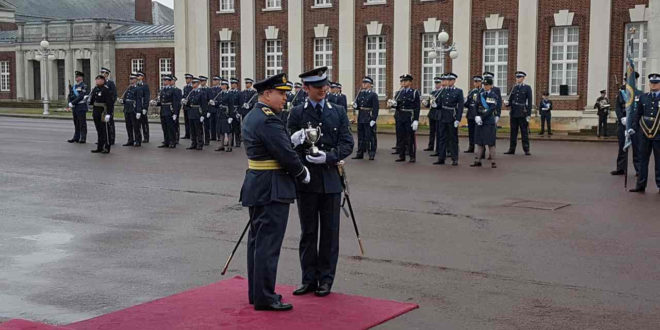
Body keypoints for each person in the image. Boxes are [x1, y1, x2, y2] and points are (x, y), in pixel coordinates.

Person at [240, 72, 310, 311]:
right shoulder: (269, 119)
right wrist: (302, 172)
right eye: (281, 93)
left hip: (257, 183)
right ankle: (265, 297)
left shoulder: (253, 115)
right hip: (272, 187)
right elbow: (285, 153)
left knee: (257, 242)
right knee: (268, 244)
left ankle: (256, 292)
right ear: (266, 94)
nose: (285, 99)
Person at [287, 66, 354, 298]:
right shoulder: (296, 113)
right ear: (306, 88)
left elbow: (347, 143)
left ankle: (325, 280)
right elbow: (288, 145)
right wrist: (298, 153)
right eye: (317, 87)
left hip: (330, 180)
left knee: (329, 233)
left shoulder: (337, 111)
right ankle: (308, 279)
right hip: (306, 181)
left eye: (325, 85)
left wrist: (330, 156)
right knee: (308, 233)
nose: (323, 90)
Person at [629, 73, 660, 193]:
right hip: (644, 133)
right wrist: (632, 128)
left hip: (658, 134)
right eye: (652, 83)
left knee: (659, 161)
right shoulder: (643, 97)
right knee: (642, 160)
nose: (653, 85)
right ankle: (640, 184)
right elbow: (638, 114)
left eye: (656, 83)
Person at [612, 72, 642, 176]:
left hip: (635, 126)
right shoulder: (621, 93)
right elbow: (617, 108)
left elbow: (640, 111)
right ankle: (621, 168)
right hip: (623, 124)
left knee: (637, 148)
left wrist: (632, 121)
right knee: (622, 147)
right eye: (627, 80)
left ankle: (639, 169)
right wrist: (621, 118)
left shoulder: (640, 94)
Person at [470, 76, 501, 168]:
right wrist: (476, 116)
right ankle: (477, 160)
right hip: (480, 120)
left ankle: (493, 161)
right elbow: (475, 106)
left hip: (488, 121)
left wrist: (481, 118)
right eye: (484, 84)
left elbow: (491, 109)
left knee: (490, 142)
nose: (485, 86)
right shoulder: (481, 94)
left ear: (491, 85)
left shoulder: (493, 95)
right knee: (479, 142)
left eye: (487, 85)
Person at [434, 73, 463, 166]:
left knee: (453, 139)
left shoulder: (458, 91)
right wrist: (435, 105)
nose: (448, 82)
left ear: (454, 81)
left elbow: (460, 106)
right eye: (447, 80)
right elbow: (439, 104)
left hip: (452, 117)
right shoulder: (442, 91)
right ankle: (441, 158)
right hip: (443, 117)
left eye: (450, 80)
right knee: (442, 138)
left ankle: (455, 158)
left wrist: (458, 119)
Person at [392, 74, 420, 162]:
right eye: (402, 81)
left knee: (410, 137)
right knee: (400, 136)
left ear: (410, 82)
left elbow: (417, 107)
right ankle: (401, 155)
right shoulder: (398, 93)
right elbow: (397, 105)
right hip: (400, 116)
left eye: (405, 81)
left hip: (409, 116)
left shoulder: (414, 92)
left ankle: (412, 156)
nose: (403, 83)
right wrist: (393, 105)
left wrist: (416, 119)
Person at [505, 71, 533, 155]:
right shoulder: (513, 87)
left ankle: (526, 149)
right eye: (517, 77)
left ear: (523, 78)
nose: (518, 79)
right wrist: (507, 103)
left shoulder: (527, 88)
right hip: (514, 112)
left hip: (522, 112)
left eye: (520, 77)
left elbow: (529, 101)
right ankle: (511, 149)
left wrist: (528, 114)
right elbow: (510, 100)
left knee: (524, 132)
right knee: (513, 132)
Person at [352, 76, 379, 160]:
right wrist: (355, 106)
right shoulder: (360, 93)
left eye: (365, 83)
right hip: (361, 116)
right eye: (363, 83)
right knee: (361, 136)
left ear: (370, 85)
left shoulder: (373, 95)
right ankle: (360, 153)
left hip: (368, 116)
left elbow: (375, 108)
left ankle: (371, 153)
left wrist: (373, 119)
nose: (363, 84)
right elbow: (359, 106)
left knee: (370, 136)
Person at [89, 75, 113, 154]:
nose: (98, 81)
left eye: (100, 80)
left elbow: (109, 103)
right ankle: (99, 147)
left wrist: (109, 114)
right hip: (96, 111)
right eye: (97, 80)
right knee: (99, 130)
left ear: (103, 81)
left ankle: (107, 147)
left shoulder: (106, 90)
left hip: (103, 112)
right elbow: (92, 101)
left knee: (105, 130)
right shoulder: (95, 89)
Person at [152, 74, 177, 148]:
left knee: (170, 127)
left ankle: (172, 142)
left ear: (169, 81)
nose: (164, 82)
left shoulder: (173, 90)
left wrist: (175, 113)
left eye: (166, 80)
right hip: (163, 110)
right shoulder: (162, 90)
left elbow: (175, 102)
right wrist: (156, 103)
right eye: (164, 80)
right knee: (164, 127)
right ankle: (166, 141)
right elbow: (161, 101)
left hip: (169, 110)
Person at [183, 77, 206, 150]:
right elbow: (189, 102)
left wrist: (203, 115)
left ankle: (200, 143)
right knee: (192, 129)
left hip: (198, 112)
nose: (193, 84)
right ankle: (193, 143)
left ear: (198, 84)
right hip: (191, 111)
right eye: (192, 83)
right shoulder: (191, 92)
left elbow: (204, 105)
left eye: (194, 83)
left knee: (198, 129)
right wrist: (185, 103)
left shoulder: (201, 92)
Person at [119, 73, 141, 147]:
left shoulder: (138, 89)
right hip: (127, 108)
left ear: (136, 80)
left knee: (136, 126)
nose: (131, 80)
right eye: (130, 79)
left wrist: (138, 111)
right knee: (128, 125)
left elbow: (138, 100)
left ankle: (138, 140)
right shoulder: (128, 88)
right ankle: (130, 140)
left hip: (133, 109)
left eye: (132, 79)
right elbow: (125, 98)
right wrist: (122, 101)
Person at [66, 71, 88, 144]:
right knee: (76, 123)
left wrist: (72, 102)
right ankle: (76, 137)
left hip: (81, 107)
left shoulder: (84, 86)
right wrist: (69, 102)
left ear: (81, 77)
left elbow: (81, 96)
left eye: (78, 76)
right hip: (75, 107)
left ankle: (83, 138)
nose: (76, 78)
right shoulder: (74, 86)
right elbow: (70, 95)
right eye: (76, 77)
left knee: (82, 123)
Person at [215, 79, 235, 152]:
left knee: (228, 130)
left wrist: (231, 116)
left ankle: (229, 146)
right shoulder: (220, 93)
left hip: (226, 114)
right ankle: (222, 145)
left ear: (226, 86)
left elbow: (231, 106)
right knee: (221, 130)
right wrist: (214, 103)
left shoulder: (229, 94)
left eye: (223, 85)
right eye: (221, 85)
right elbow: (218, 103)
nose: (221, 86)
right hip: (220, 113)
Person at [463, 76, 483, 153]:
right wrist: (465, 102)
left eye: (477, 82)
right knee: (471, 132)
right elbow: (468, 103)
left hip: (478, 114)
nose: (476, 83)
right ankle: (471, 147)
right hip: (471, 114)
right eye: (475, 82)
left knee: (479, 132)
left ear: (480, 82)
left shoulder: (482, 91)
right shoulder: (471, 92)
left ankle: (480, 148)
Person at [424, 76, 443, 152]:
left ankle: (438, 148)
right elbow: (429, 104)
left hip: (438, 113)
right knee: (432, 131)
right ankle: (430, 146)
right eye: (436, 83)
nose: (436, 84)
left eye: (438, 83)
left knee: (438, 132)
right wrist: (426, 104)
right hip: (432, 113)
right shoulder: (432, 92)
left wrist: (436, 105)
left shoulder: (442, 92)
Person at [100, 67, 117, 146]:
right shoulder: (100, 84)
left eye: (104, 73)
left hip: (108, 106)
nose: (102, 74)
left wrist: (110, 104)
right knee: (101, 124)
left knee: (110, 123)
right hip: (101, 107)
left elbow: (114, 95)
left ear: (107, 74)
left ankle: (111, 139)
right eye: (102, 73)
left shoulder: (110, 83)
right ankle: (103, 139)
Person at [136, 71, 151, 143]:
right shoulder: (136, 85)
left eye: (139, 76)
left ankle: (146, 137)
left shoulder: (145, 86)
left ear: (142, 77)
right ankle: (138, 137)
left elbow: (146, 97)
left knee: (144, 123)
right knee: (137, 123)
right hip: (136, 106)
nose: (137, 77)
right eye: (137, 76)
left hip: (142, 106)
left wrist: (145, 107)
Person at [230, 78, 243, 147]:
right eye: (231, 83)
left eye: (233, 84)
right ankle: (231, 142)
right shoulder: (229, 92)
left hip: (236, 111)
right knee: (230, 128)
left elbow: (241, 104)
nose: (232, 85)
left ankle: (238, 142)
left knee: (237, 128)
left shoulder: (239, 93)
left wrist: (239, 112)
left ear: (236, 85)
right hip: (230, 111)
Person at [181, 74, 194, 139]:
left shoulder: (193, 87)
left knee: (190, 121)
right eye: (186, 79)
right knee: (186, 121)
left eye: (188, 79)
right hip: (185, 106)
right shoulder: (185, 87)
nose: (186, 80)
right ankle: (187, 134)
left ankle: (192, 134)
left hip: (190, 106)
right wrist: (182, 99)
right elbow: (184, 95)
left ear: (191, 79)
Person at [172, 75, 183, 144]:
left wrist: (177, 110)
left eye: (173, 80)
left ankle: (176, 137)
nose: (171, 82)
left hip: (175, 109)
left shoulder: (178, 90)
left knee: (175, 124)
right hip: (168, 109)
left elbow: (179, 101)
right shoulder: (167, 89)